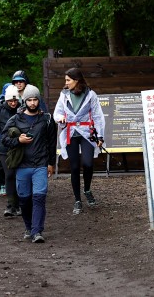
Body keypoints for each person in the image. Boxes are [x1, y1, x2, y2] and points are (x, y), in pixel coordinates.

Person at [1, 84, 57, 243]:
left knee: (39, 197)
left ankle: (37, 231)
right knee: (24, 199)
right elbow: (4, 139)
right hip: (22, 165)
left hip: (40, 163)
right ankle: (28, 226)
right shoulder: (15, 119)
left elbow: (52, 143)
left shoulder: (46, 119)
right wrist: (18, 140)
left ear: (39, 100)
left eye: (35, 100)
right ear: (24, 101)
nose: (33, 103)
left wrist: (51, 163)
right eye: (29, 100)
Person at [54, 68, 105, 214]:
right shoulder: (64, 94)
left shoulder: (90, 94)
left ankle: (87, 189)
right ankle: (77, 199)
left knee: (88, 163)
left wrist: (100, 136)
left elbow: (97, 115)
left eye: (68, 80)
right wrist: (60, 118)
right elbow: (57, 112)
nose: (66, 83)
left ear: (76, 80)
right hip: (70, 132)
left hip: (86, 132)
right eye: (66, 80)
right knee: (74, 167)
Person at [0, 85, 22, 217]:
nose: (13, 103)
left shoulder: (22, 110)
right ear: (6, 100)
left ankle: (18, 204)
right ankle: (11, 205)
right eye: (10, 101)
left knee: (19, 175)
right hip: (3, 148)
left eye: (15, 101)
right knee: (9, 174)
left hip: (19, 147)